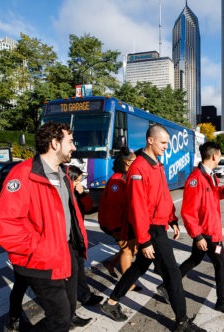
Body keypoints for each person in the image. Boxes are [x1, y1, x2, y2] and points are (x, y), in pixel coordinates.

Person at [99, 124, 206, 332]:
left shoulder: (156, 163)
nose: (167, 146)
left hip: (158, 225)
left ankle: (110, 303)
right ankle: (182, 322)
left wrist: (172, 219)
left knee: (140, 266)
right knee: (173, 274)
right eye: (163, 143)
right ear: (150, 140)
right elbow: (137, 208)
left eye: (167, 142)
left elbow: (163, 196)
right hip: (151, 229)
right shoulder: (139, 168)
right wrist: (145, 239)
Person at [0, 122, 92, 331]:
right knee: (60, 319)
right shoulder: (23, 174)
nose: (74, 147)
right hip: (41, 260)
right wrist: (39, 248)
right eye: (70, 142)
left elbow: (68, 215)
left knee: (66, 313)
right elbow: (4, 225)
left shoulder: (63, 174)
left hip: (65, 253)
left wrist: (76, 245)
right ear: (55, 143)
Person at [156, 142, 224, 316]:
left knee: (195, 260)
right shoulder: (196, 179)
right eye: (220, 153)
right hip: (206, 233)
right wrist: (198, 236)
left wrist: (223, 191)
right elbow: (188, 212)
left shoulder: (210, 175)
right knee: (221, 264)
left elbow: (213, 192)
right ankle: (222, 301)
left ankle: (167, 285)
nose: (220, 156)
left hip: (210, 229)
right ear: (215, 155)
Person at [97, 147, 142, 291]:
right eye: (135, 161)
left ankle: (111, 263)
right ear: (127, 163)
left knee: (133, 249)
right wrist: (115, 229)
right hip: (118, 224)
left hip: (126, 222)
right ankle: (127, 283)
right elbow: (112, 209)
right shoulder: (117, 181)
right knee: (128, 250)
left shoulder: (125, 177)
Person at [67, 165, 105, 306]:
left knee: (79, 267)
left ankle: (85, 295)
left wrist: (82, 194)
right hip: (68, 236)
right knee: (73, 269)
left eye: (80, 180)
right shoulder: (63, 193)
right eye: (76, 180)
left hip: (77, 234)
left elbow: (88, 207)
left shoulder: (77, 192)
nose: (79, 184)